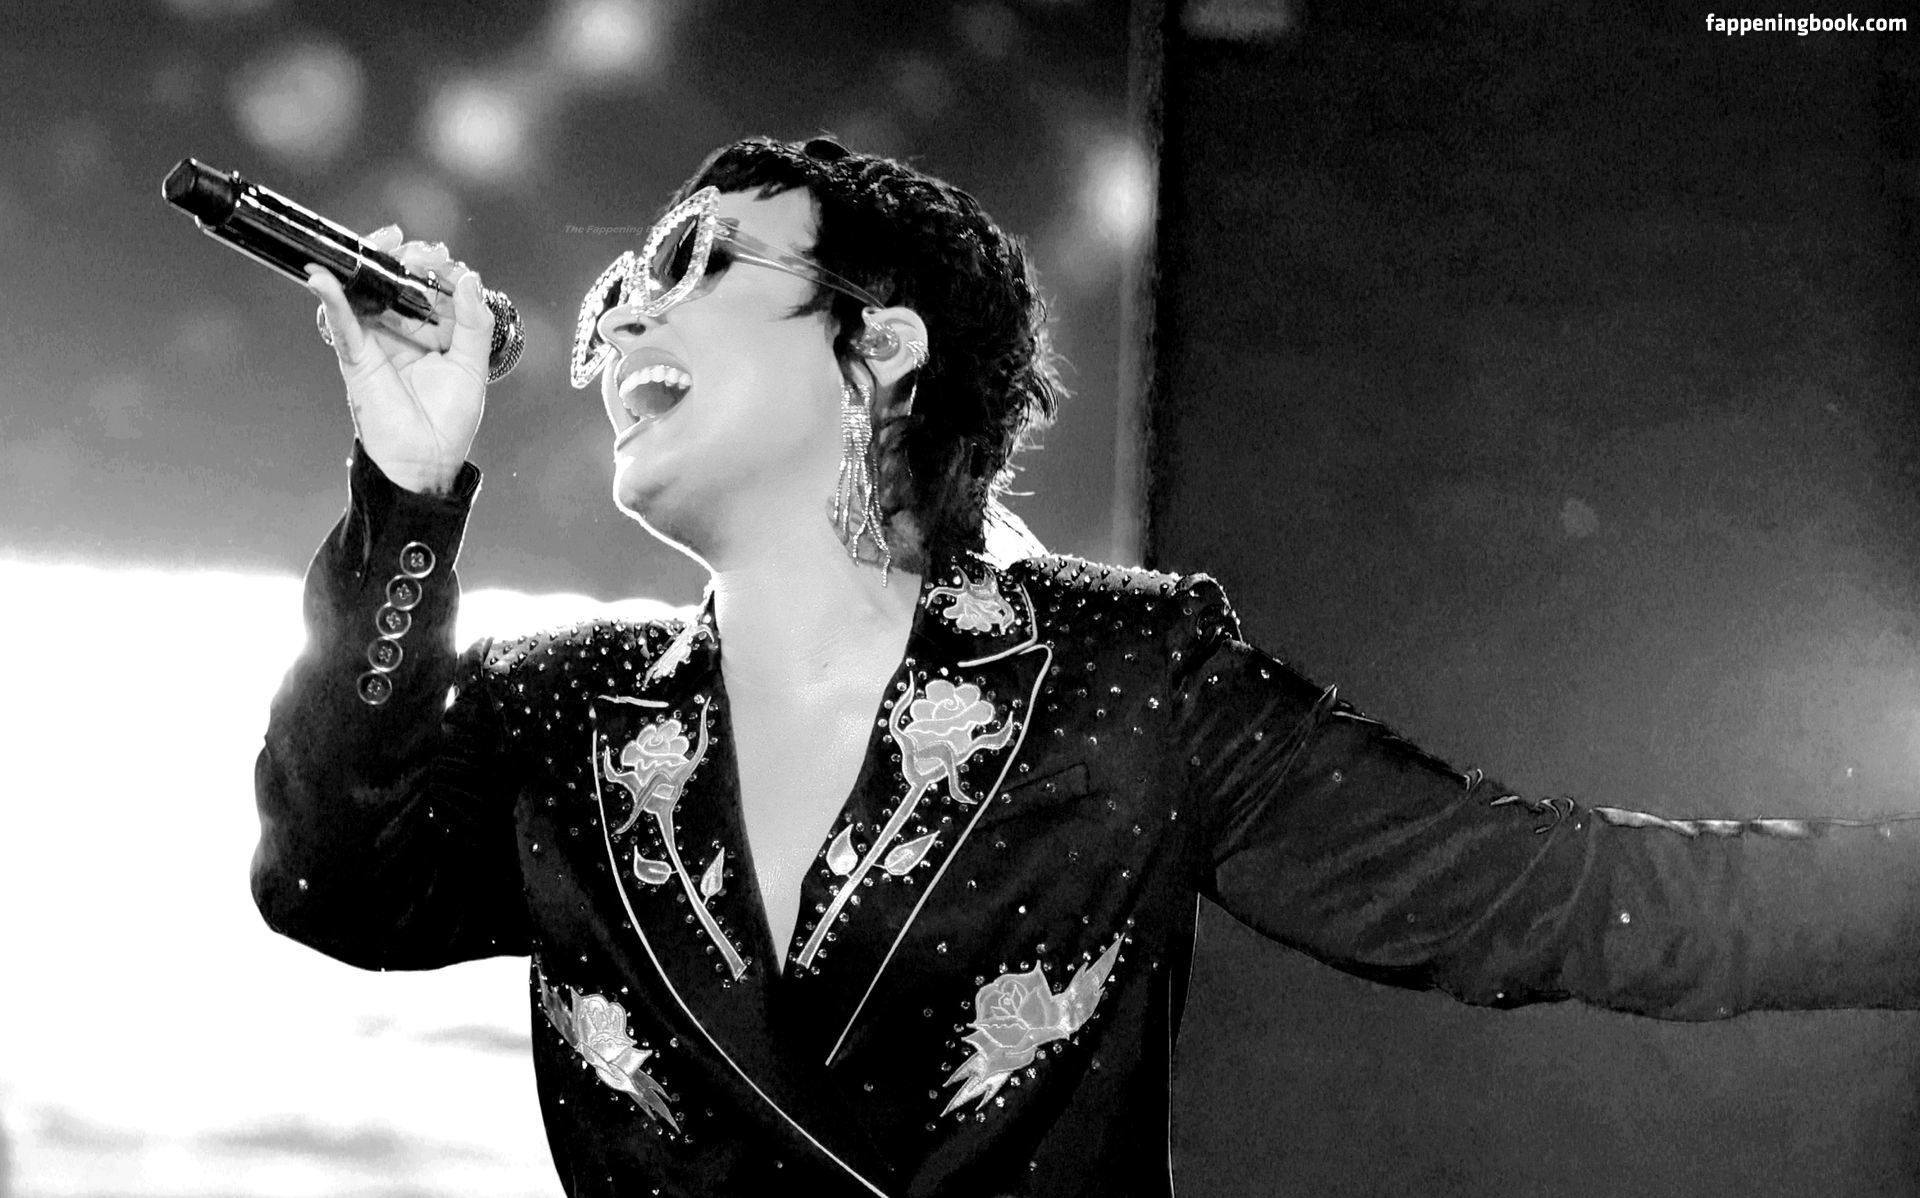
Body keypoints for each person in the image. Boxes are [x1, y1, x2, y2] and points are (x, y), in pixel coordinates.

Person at [257, 136, 1920, 1198]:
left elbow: (1563, 895)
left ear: (880, 346)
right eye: (625, 286)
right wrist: (406, 496)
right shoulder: (568, 706)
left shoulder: (1130, 678)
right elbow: (333, 880)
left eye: (696, 263)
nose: (622, 320)